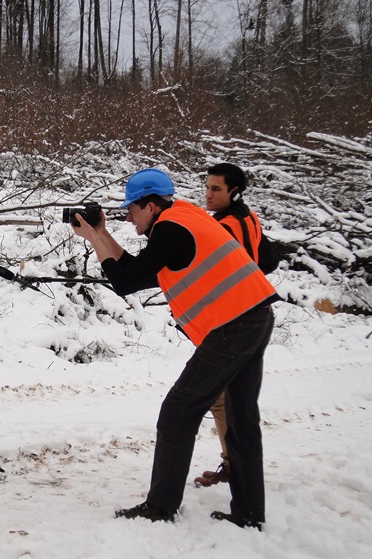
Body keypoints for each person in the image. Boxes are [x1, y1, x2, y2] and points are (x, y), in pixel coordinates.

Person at [71, 168, 279, 529]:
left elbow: (125, 281)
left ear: (151, 206)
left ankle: (160, 507)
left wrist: (95, 239)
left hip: (233, 326)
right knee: (241, 418)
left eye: (132, 210)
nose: (128, 217)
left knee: (178, 412)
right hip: (254, 318)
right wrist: (99, 233)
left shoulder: (170, 228)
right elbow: (138, 271)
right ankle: (248, 514)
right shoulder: (185, 219)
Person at [194, 162, 277, 487]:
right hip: (252, 318)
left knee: (223, 400)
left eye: (216, 189)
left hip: (234, 322)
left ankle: (235, 470)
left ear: (234, 191)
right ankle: (237, 471)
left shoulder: (226, 226)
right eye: (208, 186)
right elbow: (269, 260)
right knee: (234, 402)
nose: (209, 194)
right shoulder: (248, 219)